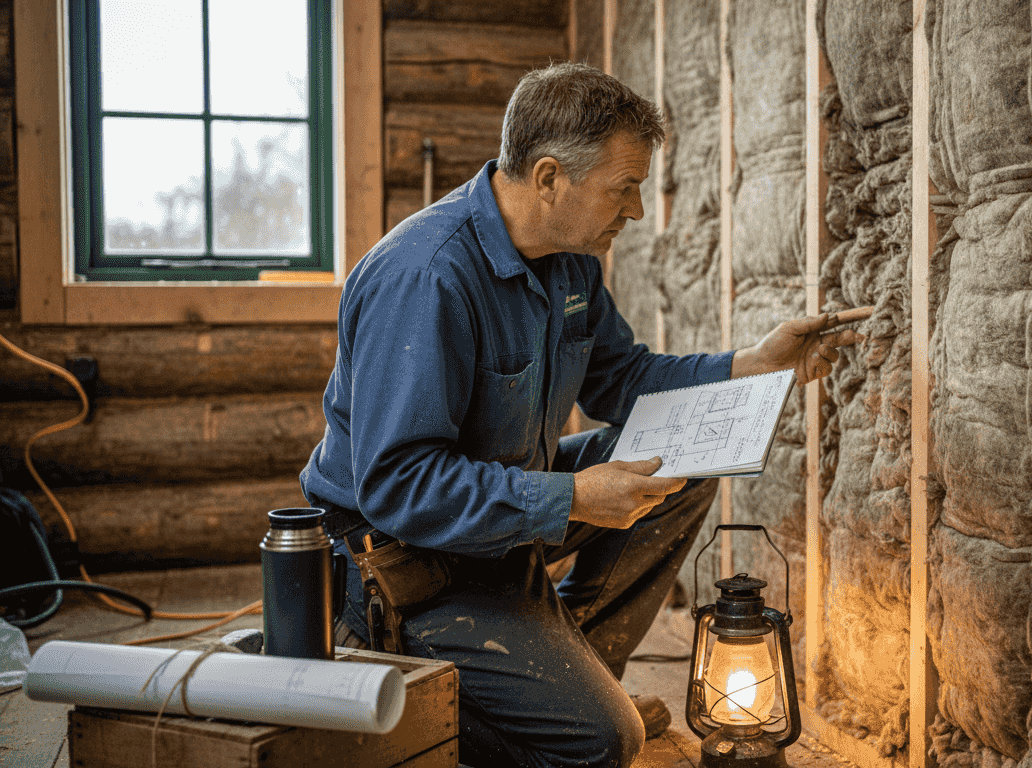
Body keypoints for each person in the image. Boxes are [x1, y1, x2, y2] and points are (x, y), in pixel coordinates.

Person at [299, 62, 861, 768]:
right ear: (548, 177)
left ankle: (574, 666)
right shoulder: (426, 276)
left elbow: (625, 379)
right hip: (403, 564)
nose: (635, 210)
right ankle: (477, 692)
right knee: (604, 743)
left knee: (682, 465)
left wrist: (754, 362)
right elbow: (400, 487)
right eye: (623, 187)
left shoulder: (570, 264)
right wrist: (571, 497)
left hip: (500, 519)